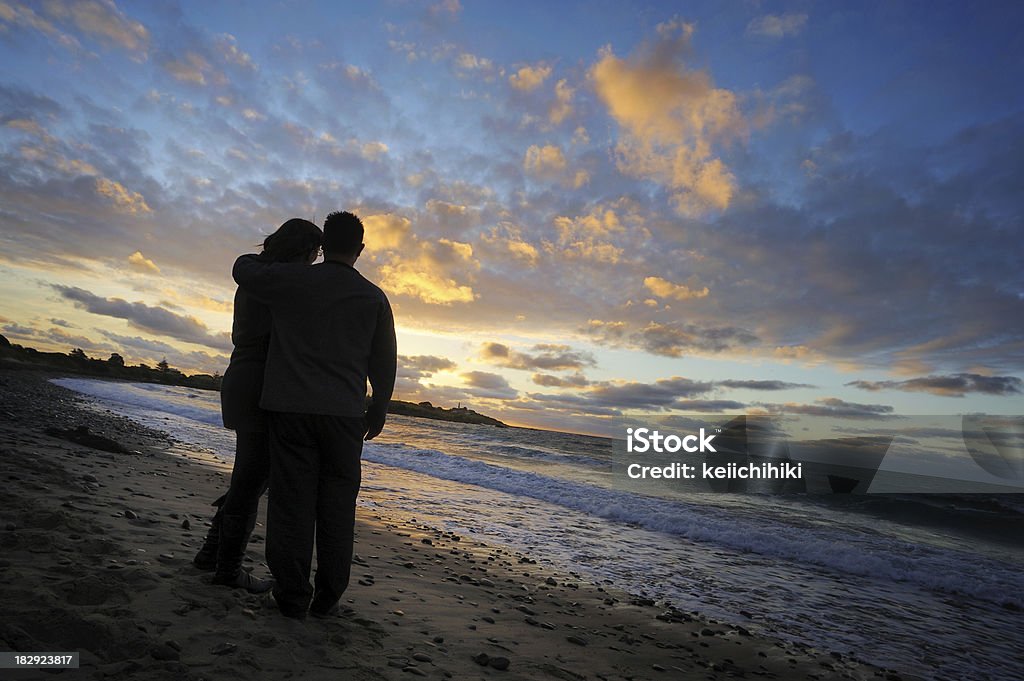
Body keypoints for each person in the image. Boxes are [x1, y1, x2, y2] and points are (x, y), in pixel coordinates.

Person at [232, 210, 397, 619]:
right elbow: (385, 361)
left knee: (292, 503)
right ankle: (328, 597)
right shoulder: (374, 297)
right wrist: (378, 408)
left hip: (290, 410)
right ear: (360, 249)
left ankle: (291, 596)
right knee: (339, 506)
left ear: (324, 243)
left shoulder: (293, 280)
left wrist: (264, 254)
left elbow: (242, 270)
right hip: (344, 416)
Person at [192, 218, 323, 594]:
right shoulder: (284, 281)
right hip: (263, 386)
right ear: (303, 250)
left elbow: (243, 264)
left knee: (248, 476)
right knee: (251, 481)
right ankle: (227, 570)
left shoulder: (254, 272)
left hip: (241, 378)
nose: (315, 262)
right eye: (313, 254)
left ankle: (210, 554)